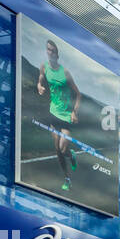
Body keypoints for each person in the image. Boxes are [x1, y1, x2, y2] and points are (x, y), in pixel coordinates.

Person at [35, 39, 83, 193]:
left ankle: (71, 154)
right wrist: (39, 86)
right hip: (53, 114)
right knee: (57, 150)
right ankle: (67, 178)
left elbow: (78, 94)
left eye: (53, 50)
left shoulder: (65, 73)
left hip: (66, 117)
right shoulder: (44, 67)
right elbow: (41, 77)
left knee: (63, 148)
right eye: (48, 50)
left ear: (57, 53)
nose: (50, 53)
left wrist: (75, 112)